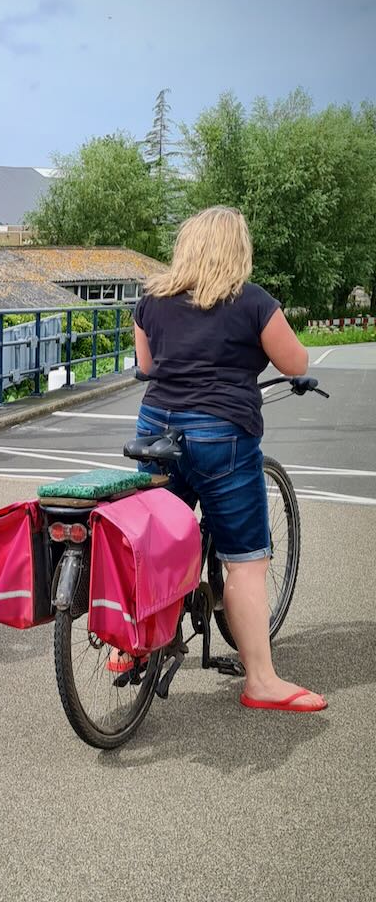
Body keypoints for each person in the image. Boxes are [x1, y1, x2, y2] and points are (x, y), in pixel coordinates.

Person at [131, 205, 326, 713]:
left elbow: (147, 366)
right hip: (221, 435)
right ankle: (260, 681)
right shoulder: (252, 302)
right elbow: (296, 361)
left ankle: (128, 647)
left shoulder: (151, 300)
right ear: (237, 250)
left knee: (154, 542)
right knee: (245, 562)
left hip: (155, 429)